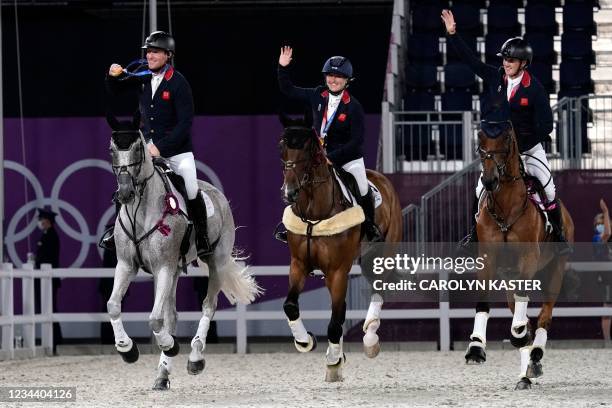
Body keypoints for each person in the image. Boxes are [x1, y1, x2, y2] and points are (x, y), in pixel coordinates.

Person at [441, 10, 569, 253]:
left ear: (523, 63)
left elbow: (546, 125)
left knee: (549, 188)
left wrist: (521, 145)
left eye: (511, 60)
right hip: (499, 149)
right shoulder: (495, 77)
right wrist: (453, 35)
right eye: (504, 59)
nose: (506, 63)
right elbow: (471, 62)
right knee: (480, 189)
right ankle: (473, 236)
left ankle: (558, 236)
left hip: (528, 148)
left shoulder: (535, 89)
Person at [105, 30, 212, 258]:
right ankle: (115, 233)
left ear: (168, 55)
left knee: (191, 188)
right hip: (148, 150)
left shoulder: (179, 83)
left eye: (155, 52)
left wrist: (160, 147)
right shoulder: (143, 78)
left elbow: (185, 123)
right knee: (127, 179)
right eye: (148, 52)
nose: (150, 56)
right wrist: (112, 75)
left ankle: (202, 238)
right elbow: (115, 89)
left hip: (177, 151)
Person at [277, 46, 383, 242]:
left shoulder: (354, 107)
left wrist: (333, 157)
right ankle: (288, 226)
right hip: (319, 156)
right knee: (297, 178)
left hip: (347, 158)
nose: (333, 80)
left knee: (361, 187)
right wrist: (283, 68)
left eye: (339, 76)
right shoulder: (317, 94)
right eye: (330, 76)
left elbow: (357, 141)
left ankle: (370, 225)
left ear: (347, 80)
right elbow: (288, 90)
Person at [34, 207, 62, 353]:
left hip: (49, 280)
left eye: (41, 219)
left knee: (50, 309)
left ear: (47, 221)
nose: (39, 222)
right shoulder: (47, 235)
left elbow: (47, 258)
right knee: (48, 309)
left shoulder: (51, 236)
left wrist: (37, 262)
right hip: (45, 279)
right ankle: (55, 341)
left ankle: (56, 341)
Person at [593, 199, 611, 342]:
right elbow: (607, 234)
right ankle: (606, 340)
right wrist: (605, 212)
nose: (600, 226)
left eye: (602, 222)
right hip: (606, 278)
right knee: (607, 310)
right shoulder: (597, 238)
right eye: (598, 223)